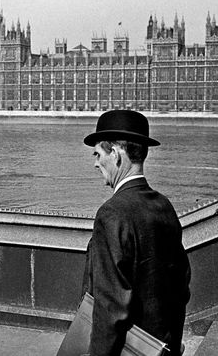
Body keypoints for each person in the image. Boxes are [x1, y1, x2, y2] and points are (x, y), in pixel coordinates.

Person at [81, 109, 191, 356]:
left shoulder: (112, 214)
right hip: (159, 347)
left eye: (98, 154)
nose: (95, 163)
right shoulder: (164, 206)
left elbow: (111, 308)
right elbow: (181, 287)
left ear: (117, 155)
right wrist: (170, 344)